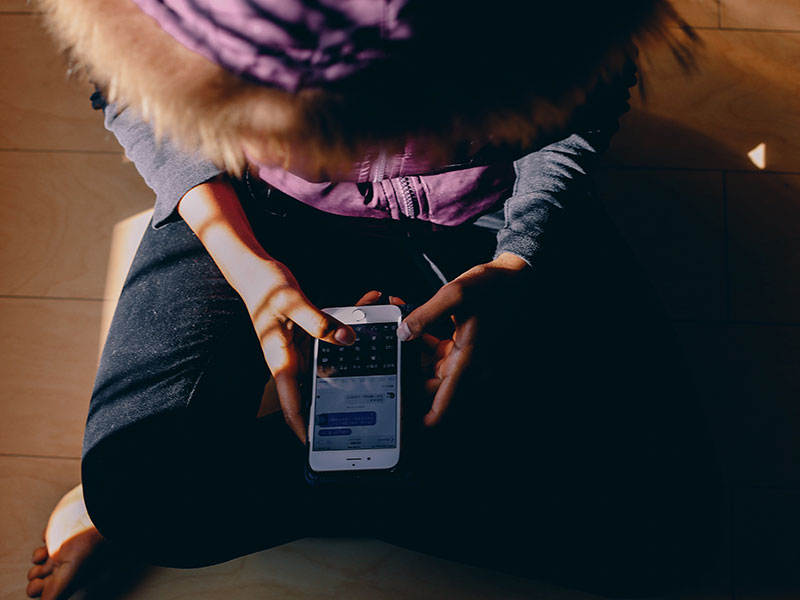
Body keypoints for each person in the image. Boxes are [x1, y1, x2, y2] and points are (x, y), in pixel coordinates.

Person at [27, 1, 721, 599]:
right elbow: (124, 80)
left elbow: (589, 94)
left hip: (489, 202)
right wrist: (244, 262)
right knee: (132, 489)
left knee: (677, 538)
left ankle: (307, 476)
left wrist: (521, 257)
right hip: (257, 202)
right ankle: (399, 458)